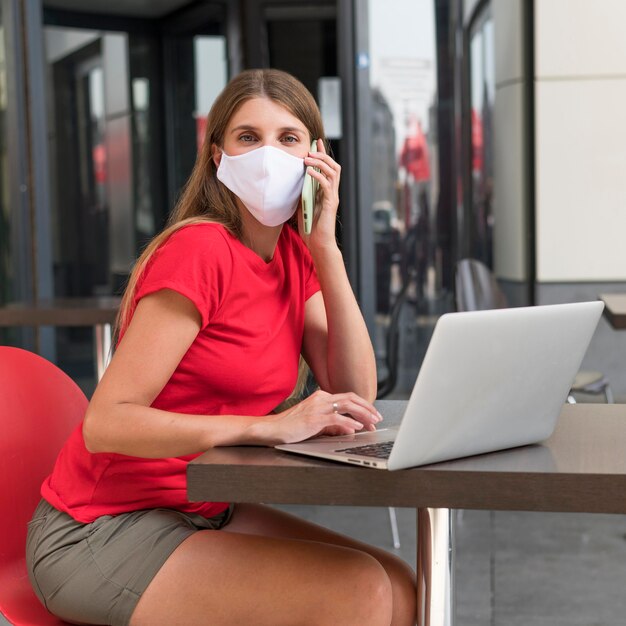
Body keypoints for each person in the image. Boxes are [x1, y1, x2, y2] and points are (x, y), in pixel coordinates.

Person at [26, 68, 417, 626]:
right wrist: (265, 427)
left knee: (402, 588)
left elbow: (355, 394)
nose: (268, 154)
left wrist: (325, 246)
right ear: (218, 156)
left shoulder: (296, 253)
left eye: (288, 138)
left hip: (203, 509)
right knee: (358, 594)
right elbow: (106, 424)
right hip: (101, 529)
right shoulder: (200, 250)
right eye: (247, 137)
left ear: (317, 156)